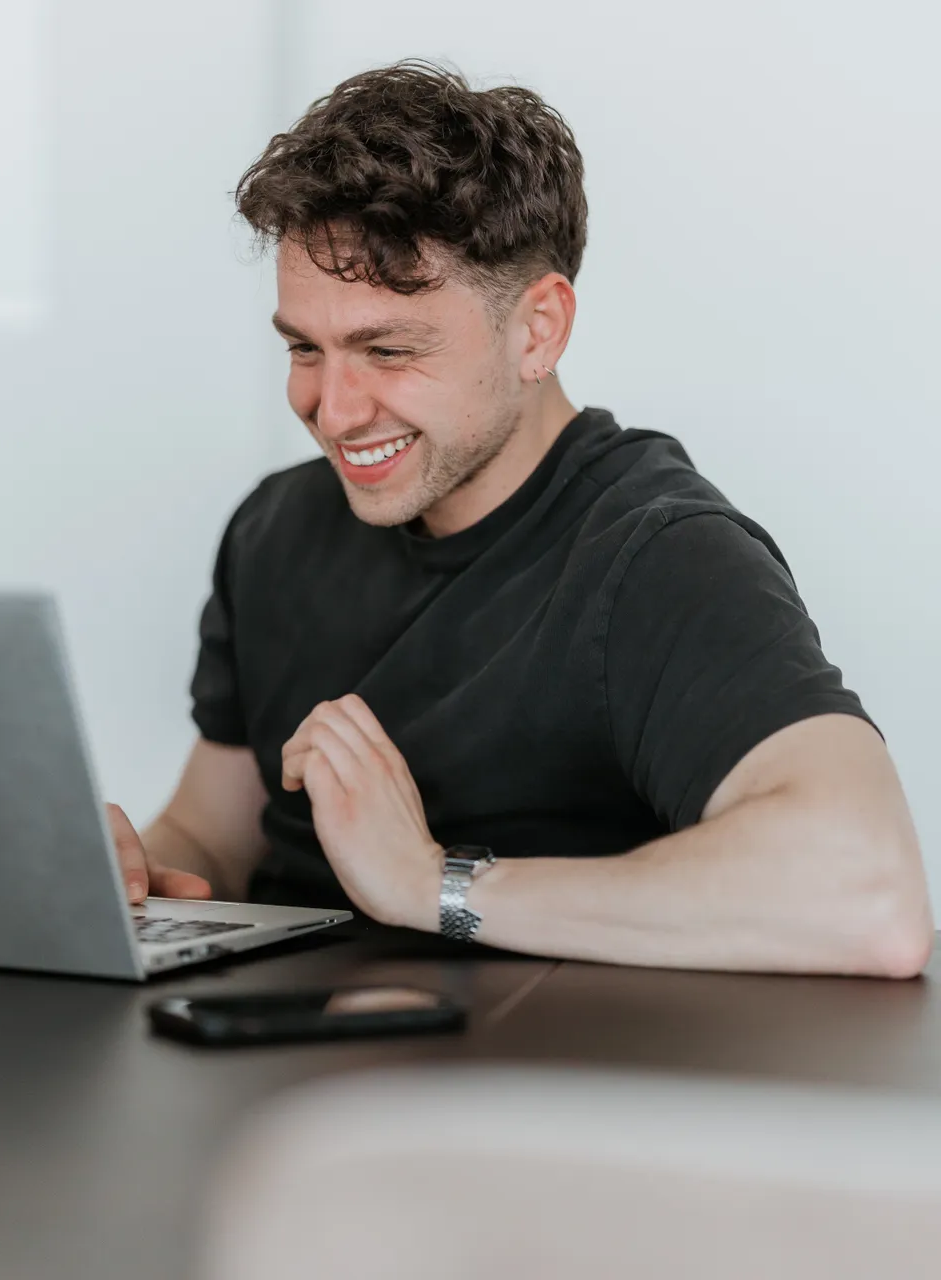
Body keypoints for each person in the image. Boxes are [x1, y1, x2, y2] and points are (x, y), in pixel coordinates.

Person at [107, 61, 933, 976]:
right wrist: (130, 872)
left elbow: (870, 895)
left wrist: (432, 884)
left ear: (538, 330)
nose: (332, 411)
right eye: (306, 347)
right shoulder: (277, 527)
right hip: (268, 1076)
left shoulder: (657, 558)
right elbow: (214, 835)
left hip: (518, 1092)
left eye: (386, 349)